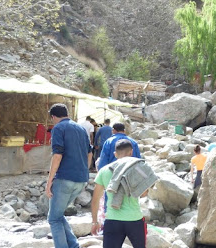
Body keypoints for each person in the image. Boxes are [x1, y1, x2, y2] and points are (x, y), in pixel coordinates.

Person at [91, 139, 156, 248]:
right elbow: (144, 194)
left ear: (115, 154)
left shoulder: (104, 170)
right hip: (134, 219)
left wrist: (94, 222)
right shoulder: (139, 168)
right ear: (131, 152)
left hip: (112, 220)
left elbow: (95, 200)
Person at [46, 103, 93, 248]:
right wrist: (85, 170)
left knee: (53, 219)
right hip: (81, 179)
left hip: (64, 178)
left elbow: (57, 155)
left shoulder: (58, 128)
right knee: (58, 215)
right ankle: (73, 245)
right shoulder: (80, 128)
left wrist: (49, 181)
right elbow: (89, 153)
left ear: (53, 116)